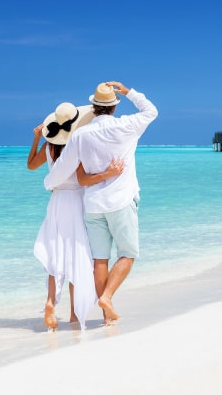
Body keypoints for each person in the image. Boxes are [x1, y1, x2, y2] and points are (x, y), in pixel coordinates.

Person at [44, 81, 157, 325]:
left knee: (100, 260)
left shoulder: (80, 136)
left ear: (94, 107)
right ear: (114, 107)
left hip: (93, 205)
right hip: (121, 200)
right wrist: (129, 92)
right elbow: (151, 111)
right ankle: (106, 297)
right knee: (127, 254)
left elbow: (63, 169)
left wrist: (48, 183)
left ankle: (107, 316)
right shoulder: (127, 126)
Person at [28, 102, 124, 331]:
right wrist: (109, 174)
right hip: (76, 202)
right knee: (76, 256)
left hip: (56, 203)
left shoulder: (49, 147)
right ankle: (73, 314)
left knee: (55, 255)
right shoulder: (76, 146)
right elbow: (82, 179)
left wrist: (36, 138)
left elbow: (31, 166)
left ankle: (51, 302)